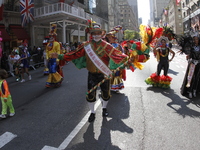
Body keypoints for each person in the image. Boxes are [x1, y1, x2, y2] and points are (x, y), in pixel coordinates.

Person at [52, 22, 129, 123]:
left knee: (106, 94)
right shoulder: (86, 46)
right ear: (91, 34)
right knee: (90, 94)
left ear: (101, 34)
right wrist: (60, 56)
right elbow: (74, 54)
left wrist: (127, 58)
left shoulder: (107, 46)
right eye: (94, 33)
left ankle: (104, 109)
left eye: (98, 33)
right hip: (92, 74)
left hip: (104, 74)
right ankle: (92, 112)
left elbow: (117, 55)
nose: (96, 35)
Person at [106, 25, 125, 92]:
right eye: (109, 38)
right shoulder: (108, 45)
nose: (109, 39)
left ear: (114, 38)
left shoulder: (118, 46)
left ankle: (116, 88)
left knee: (116, 74)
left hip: (116, 63)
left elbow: (122, 54)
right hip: (110, 63)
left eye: (110, 38)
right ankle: (111, 86)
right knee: (111, 74)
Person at [180, 33, 200, 99]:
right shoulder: (191, 47)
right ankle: (190, 91)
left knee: (197, 78)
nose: (195, 40)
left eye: (196, 39)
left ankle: (195, 90)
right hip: (192, 63)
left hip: (199, 64)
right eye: (194, 39)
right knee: (191, 78)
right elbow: (188, 53)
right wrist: (188, 56)